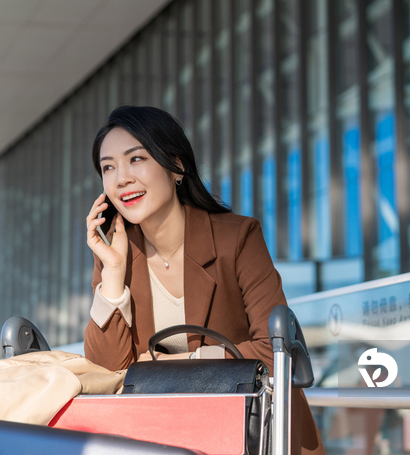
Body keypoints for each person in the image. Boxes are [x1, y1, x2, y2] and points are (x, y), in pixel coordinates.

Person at [84, 105, 325, 454]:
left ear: (177, 167)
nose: (121, 179)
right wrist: (113, 274)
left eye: (136, 159)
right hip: (167, 438)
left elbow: (275, 354)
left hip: (251, 433)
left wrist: (178, 365)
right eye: (108, 167)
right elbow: (107, 376)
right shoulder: (115, 254)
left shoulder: (237, 238)